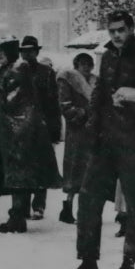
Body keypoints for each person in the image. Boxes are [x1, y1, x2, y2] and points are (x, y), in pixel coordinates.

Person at [58, 10, 135, 269]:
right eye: (112, 31)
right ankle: (88, 262)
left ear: (132, 28)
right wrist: (91, 129)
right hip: (105, 141)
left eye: (121, 30)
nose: (116, 35)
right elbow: (100, 94)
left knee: (134, 205)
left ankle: (129, 265)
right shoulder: (108, 56)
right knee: (88, 198)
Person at [0, 36, 61, 233]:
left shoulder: (18, 68)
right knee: (16, 176)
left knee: (19, 176)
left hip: (18, 131)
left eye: (3, 50)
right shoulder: (8, 68)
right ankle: (17, 215)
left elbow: (13, 102)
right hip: (12, 130)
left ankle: (18, 217)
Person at [20, 36, 63, 220]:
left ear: (37, 52)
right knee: (23, 167)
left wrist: (54, 130)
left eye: (31, 50)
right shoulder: (16, 71)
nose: (28, 54)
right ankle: (22, 206)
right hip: (21, 127)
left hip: (42, 126)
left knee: (41, 167)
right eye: (24, 50)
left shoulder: (47, 72)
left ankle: (39, 206)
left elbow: (54, 102)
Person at [56, 52, 96, 224]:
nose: (86, 67)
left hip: (93, 132)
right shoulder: (68, 80)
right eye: (82, 64)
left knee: (90, 171)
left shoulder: (96, 81)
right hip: (77, 132)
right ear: (76, 65)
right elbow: (64, 104)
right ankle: (68, 207)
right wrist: (81, 113)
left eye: (89, 64)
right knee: (74, 170)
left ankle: (85, 210)